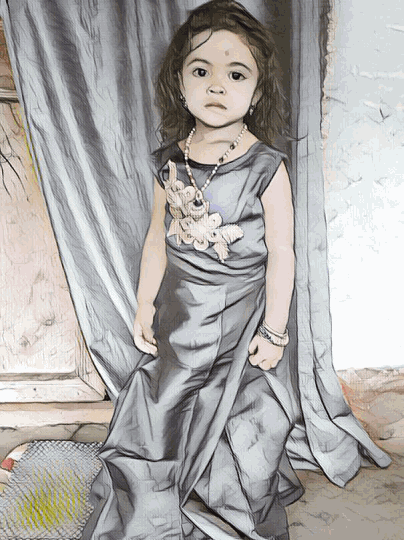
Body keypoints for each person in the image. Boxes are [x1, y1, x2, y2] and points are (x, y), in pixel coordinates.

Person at [81, 1, 391, 539]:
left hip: (238, 316)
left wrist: (274, 331)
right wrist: (143, 305)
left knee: (241, 410)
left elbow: (282, 252)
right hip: (183, 313)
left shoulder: (265, 166)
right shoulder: (171, 161)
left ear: (257, 91)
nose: (217, 86)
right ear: (180, 84)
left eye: (236, 74)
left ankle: (224, 492)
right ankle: (161, 491)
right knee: (165, 400)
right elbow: (156, 239)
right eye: (201, 71)